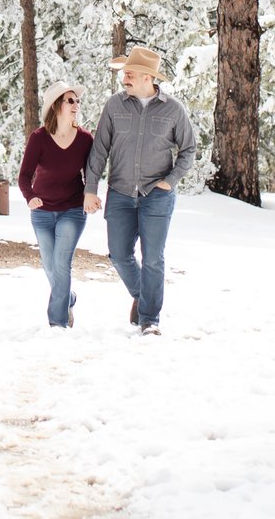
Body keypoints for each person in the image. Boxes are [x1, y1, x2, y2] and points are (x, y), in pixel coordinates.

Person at [83, 45, 195, 337]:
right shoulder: (114, 105)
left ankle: (149, 320)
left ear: (148, 77)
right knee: (119, 255)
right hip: (120, 192)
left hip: (156, 195)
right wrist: (90, 189)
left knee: (153, 258)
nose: (124, 79)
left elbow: (189, 149)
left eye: (129, 74)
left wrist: (171, 180)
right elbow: (99, 150)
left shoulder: (173, 109)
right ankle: (142, 295)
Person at [18, 80, 93, 329]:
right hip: (41, 212)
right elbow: (24, 175)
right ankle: (68, 298)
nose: (76, 105)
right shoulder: (39, 138)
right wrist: (30, 197)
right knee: (50, 266)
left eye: (77, 100)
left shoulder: (84, 139)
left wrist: (90, 195)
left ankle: (57, 323)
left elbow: (91, 174)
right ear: (56, 106)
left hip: (72, 210)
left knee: (62, 263)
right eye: (70, 100)